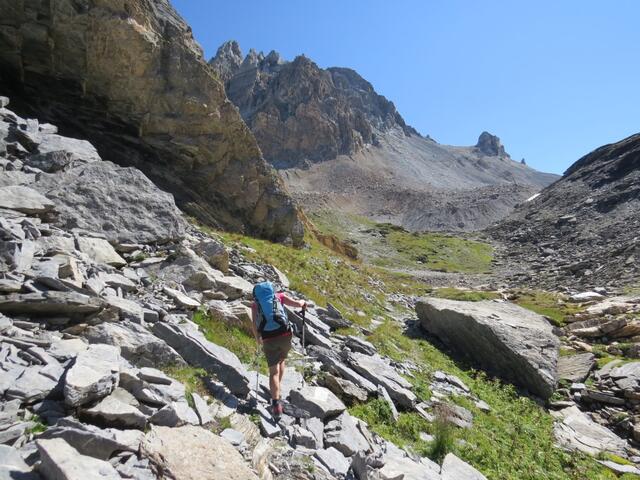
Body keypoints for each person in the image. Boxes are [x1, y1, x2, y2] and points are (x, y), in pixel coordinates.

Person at [251, 285, 306, 418]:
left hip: (268, 338)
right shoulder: (279, 296)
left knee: (273, 372)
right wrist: (303, 302)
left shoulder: (255, 304)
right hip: (285, 335)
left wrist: (258, 339)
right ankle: (277, 389)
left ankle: (276, 405)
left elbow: (254, 324)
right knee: (282, 359)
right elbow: (298, 304)